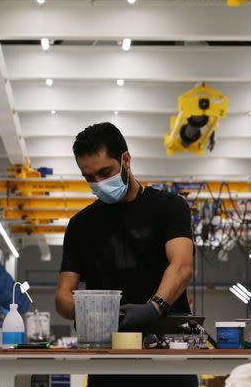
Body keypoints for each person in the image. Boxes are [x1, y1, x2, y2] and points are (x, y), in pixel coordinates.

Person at [55, 122, 196, 387]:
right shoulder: (81, 225)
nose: (98, 183)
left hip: (169, 357)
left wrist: (154, 308)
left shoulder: (169, 208)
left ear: (126, 160)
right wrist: (85, 313)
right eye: (89, 177)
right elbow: (63, 295)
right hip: (109, 361)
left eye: (105, 172)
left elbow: (182, 267)